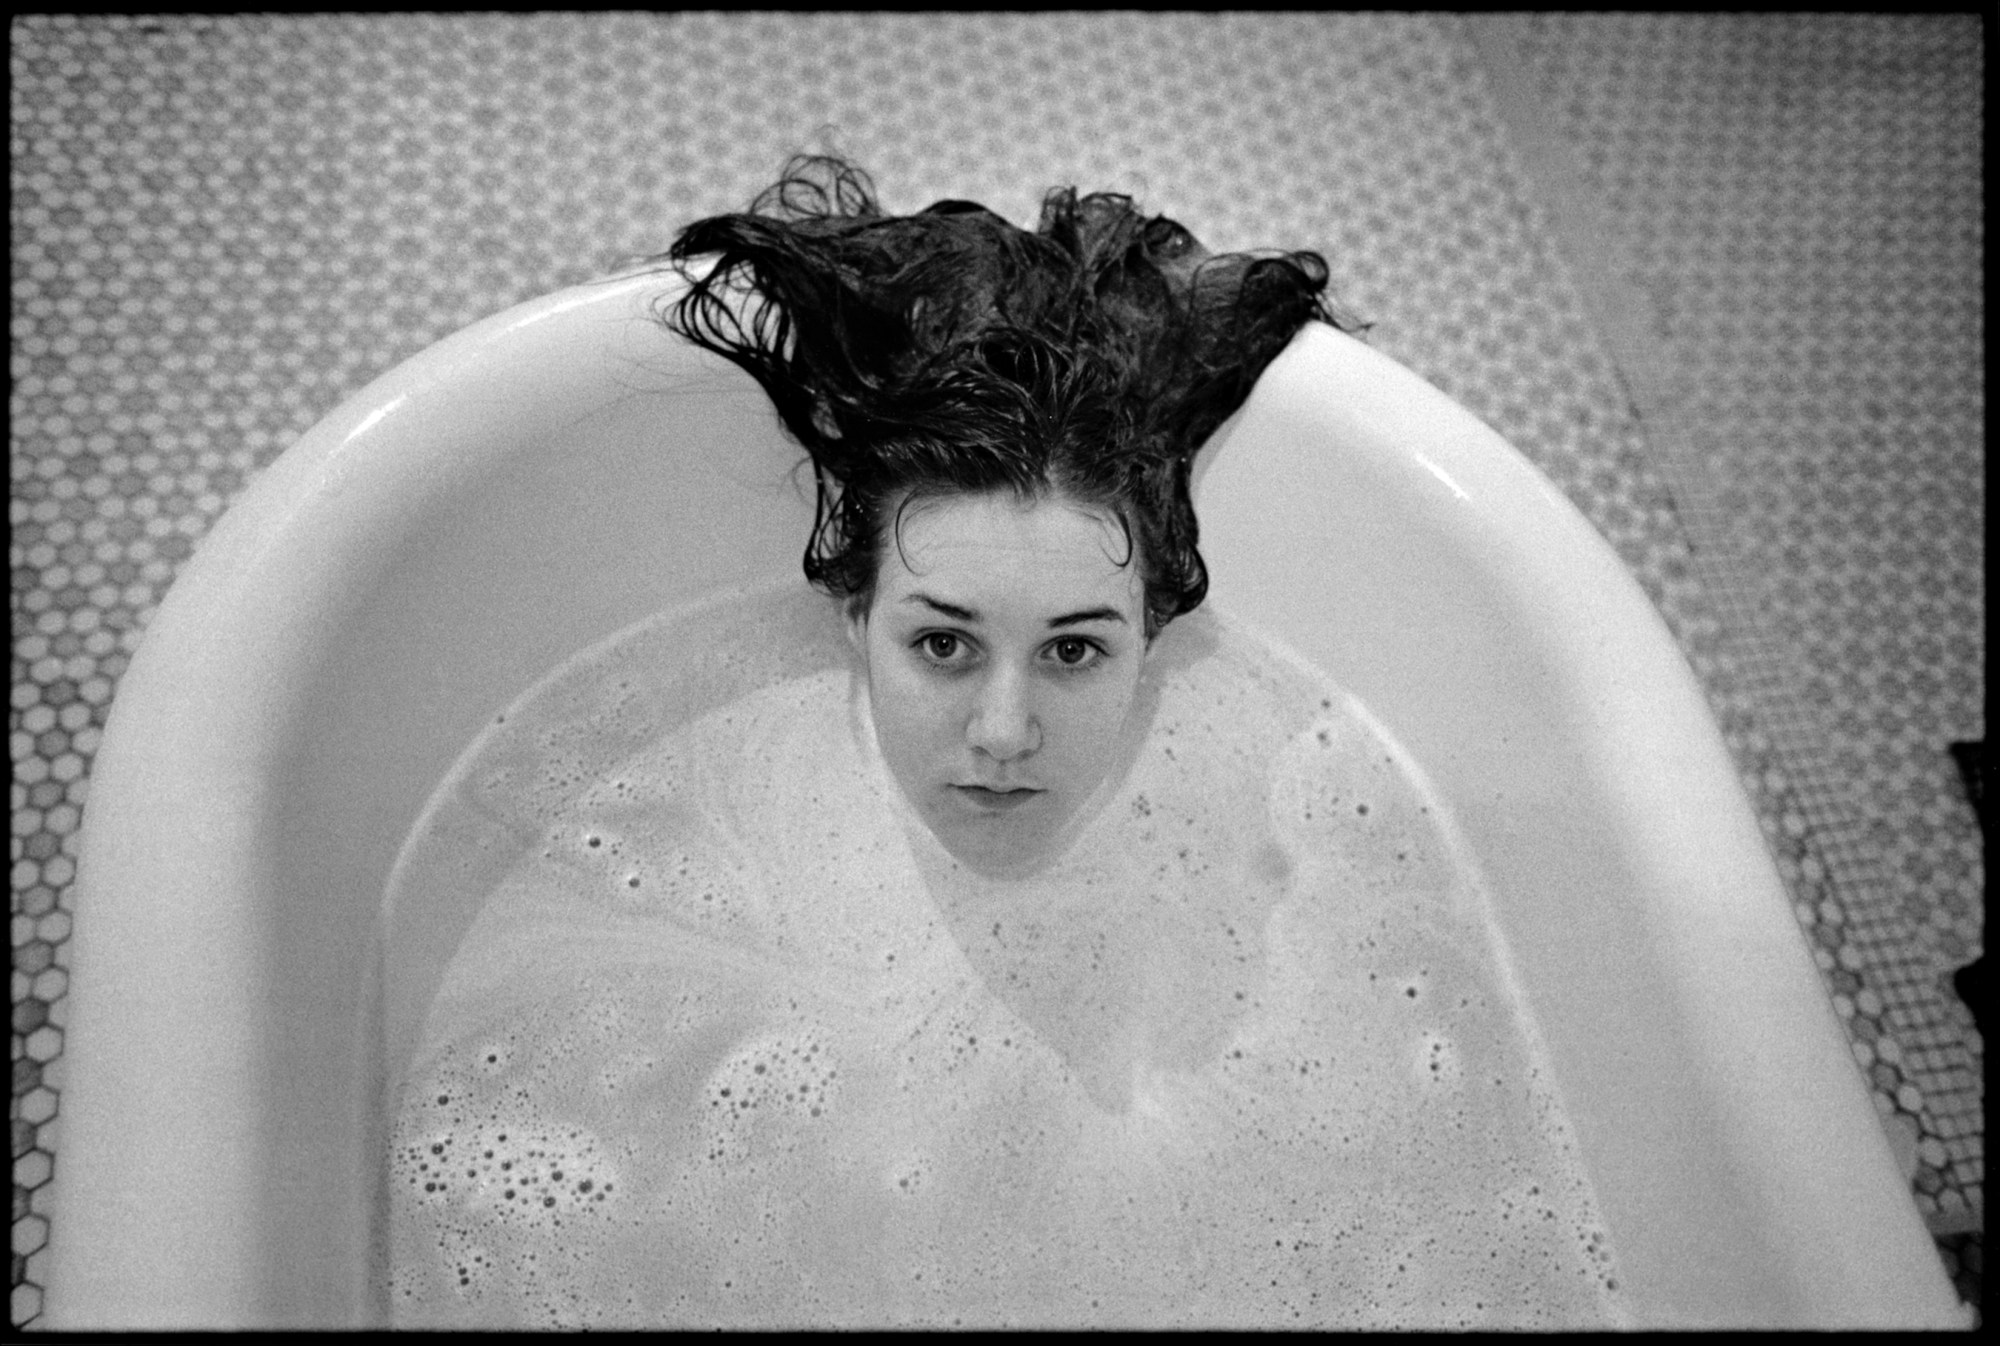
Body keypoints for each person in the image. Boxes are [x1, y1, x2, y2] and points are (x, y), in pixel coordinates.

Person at [658, 155, 1352, 875]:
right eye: (943, 644)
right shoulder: (703, 804)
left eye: (1073, 650)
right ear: (858, 616)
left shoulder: (1281, 838)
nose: (1004, 736)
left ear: (1150, 635)